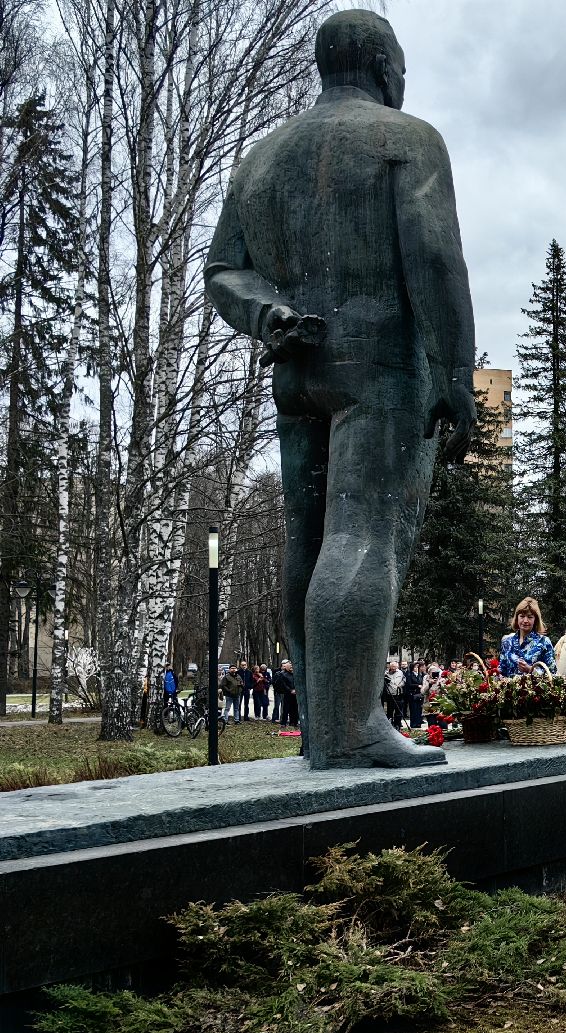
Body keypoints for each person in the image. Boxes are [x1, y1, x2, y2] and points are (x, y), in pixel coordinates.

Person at [205, 10, 472, 769]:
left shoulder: (261, 158)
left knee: (309, 540)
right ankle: (352, 726)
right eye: (402, 67)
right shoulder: (405, 137)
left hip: (298, 367)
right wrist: (454, 375)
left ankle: (323, 729)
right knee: (364, 536)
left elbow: (222, 269)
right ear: (385, 64)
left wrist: (270, 316)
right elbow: (434, 259)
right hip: (381, 365)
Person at [499, 597, 556, 676]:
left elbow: (552, 674)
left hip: (534, 688)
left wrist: (530, 669)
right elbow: (501, 670)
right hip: (509, 688)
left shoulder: (544, 642)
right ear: (517, 618)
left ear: (535, 620)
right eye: (522, 616)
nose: (525, 620)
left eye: (530, 617)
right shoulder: (507, 641)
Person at [275, 659, 299, 728]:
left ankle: (294, 722)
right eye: (290, 666)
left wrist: (296, 690)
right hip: (287, 693)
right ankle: (283, 723)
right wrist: (290, 690)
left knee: (295, 708)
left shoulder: (295, 674)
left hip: (295, 694)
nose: (291, 667)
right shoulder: (282, 674)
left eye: (292, 666)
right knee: (286, 708)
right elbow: (283, 684)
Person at [403, 659, 425, 729]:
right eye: (415, 667)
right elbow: (409, 684)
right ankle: (413, 723)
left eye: (417, 667)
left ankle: (418, 723)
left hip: (419, 694)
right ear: (412, 668)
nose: (416, 669)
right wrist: (417, 685)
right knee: (413, 709)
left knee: (419, 709)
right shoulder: (409, 674)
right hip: (412, 694)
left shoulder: (420, 675)